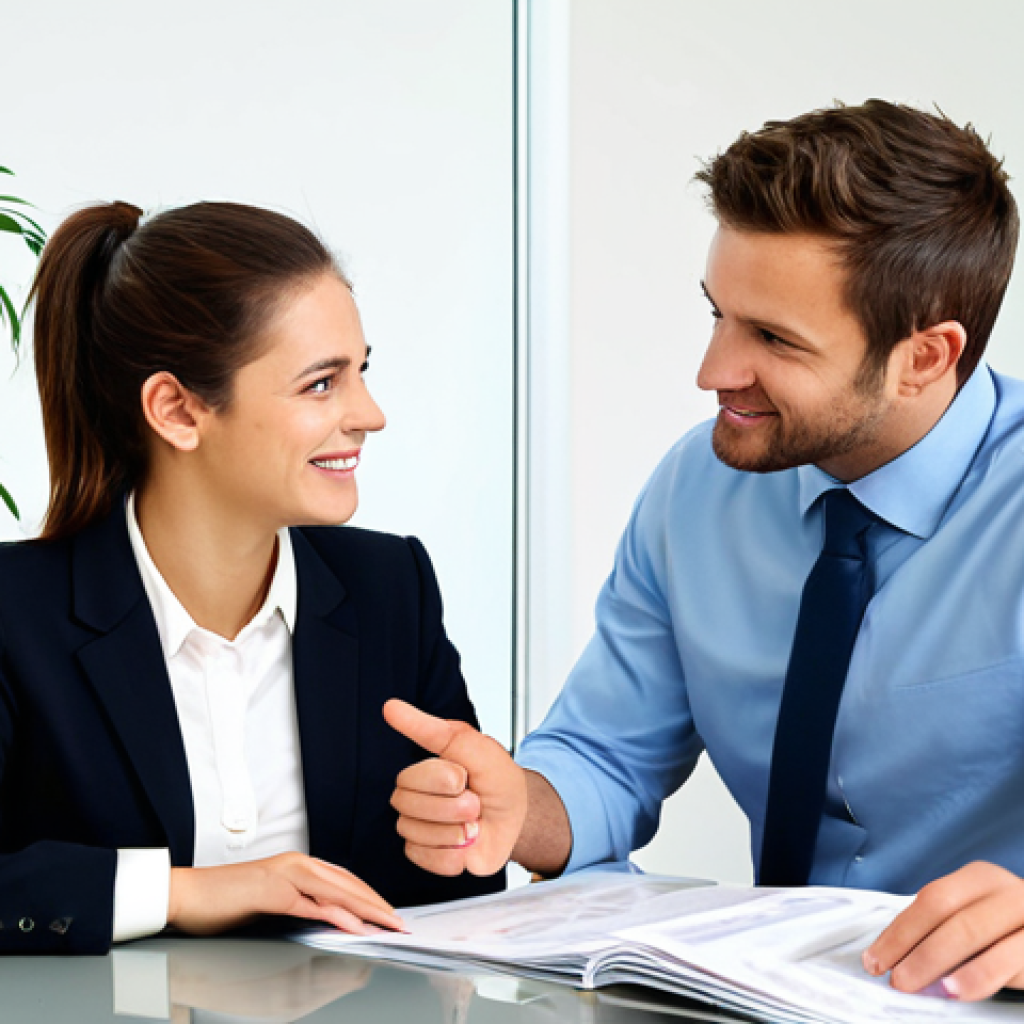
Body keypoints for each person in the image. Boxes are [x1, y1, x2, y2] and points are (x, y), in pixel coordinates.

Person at [384, 99, 1024, 1002]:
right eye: (719, 314)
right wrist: (517, 808)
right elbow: (605, 759)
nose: (713, 370)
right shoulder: (699, 487)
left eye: (772, 338)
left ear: (925, 356)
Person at [0, 200, 503, 955]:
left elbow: (448, 900)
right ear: (176, 410)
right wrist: (184, 892)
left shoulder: (391, 588)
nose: (370, 413)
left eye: (360, 372)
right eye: (321, 384)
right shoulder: (16, 616)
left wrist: (469, 831)